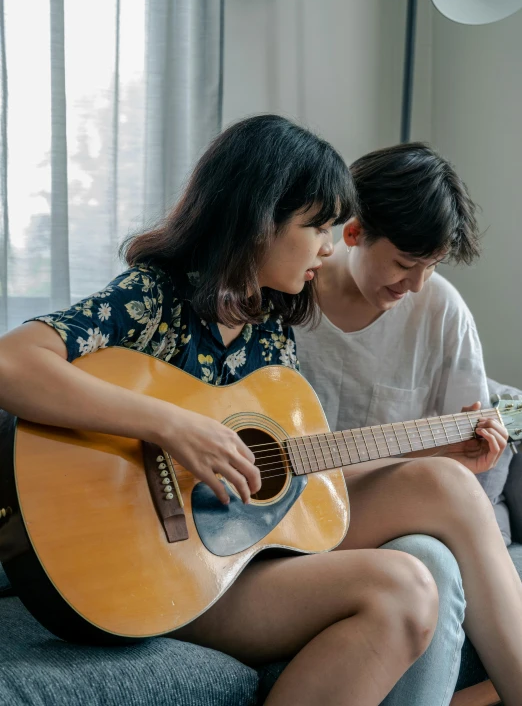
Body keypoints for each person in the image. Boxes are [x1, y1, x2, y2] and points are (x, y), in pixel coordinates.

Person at [0, 118, 516, 706]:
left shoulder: (270, 332)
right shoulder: (153, 298)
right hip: (159, 574)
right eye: (317, 226)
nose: (330, 244)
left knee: (423, 545)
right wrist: (172, 426)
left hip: (239, 554)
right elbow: (11, 364)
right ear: (259, 220)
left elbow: (293, 479)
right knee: (406, 578)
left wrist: (424, 452)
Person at [295, 140, 522, 703]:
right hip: (292, 511)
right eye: (404, 264)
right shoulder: (289, 295)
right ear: (352, 233)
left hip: (391, 520)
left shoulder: (441, 311)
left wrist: (464, 453)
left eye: (432, 266)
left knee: (432, 563)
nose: (417, 284)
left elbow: (473, 476)